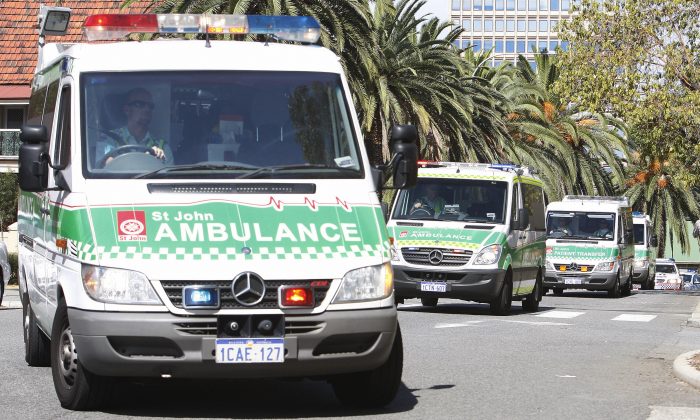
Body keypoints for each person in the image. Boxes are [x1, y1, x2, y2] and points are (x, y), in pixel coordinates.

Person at [99, 88, 173, 166]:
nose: (147, 109)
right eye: (140, 104)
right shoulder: (110, 139)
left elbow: (168, 177)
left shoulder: (163, 147)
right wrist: (146, 160)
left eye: (150, 106)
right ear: (127, 110)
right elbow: (104, 167)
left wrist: (156, 160)